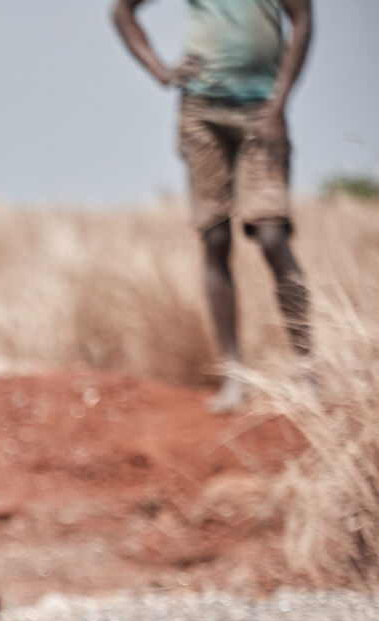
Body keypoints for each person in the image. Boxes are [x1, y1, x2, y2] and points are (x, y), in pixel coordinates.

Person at [113, 0, 314, 413]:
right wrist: (160, 69)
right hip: (201, 111)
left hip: (262, 111)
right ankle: (234, 376)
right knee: (215, 238)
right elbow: (122, 10)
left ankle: (308, 369)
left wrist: (279, 105)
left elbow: (303, 20)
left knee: (274, 236)